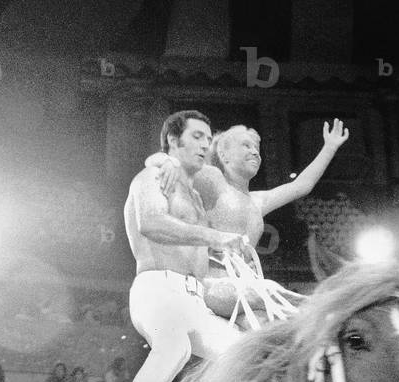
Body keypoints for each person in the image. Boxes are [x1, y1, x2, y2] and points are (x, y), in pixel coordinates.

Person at [96, 110, 248, 382]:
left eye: (208, 139)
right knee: (174, 347)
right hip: (157, 289)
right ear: (171, 141)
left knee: (251, 359)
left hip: (196, 301)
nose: (205, 144)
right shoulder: (151, 176)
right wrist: (216, 237)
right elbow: (150, 222)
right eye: (197, 136)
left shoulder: (196, 196)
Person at [148, 118, 349, 317]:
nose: (255, 152)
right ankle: (325, 306)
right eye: (246, 145)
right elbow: (158, 160)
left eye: (256, 148)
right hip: (210, 284)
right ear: (223, 155)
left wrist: (330, 147)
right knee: (268, 291)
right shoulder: (213, 181)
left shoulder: (258, 201)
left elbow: (302, 186)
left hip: (244, 289)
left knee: (271, 327)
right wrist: (168, 161)